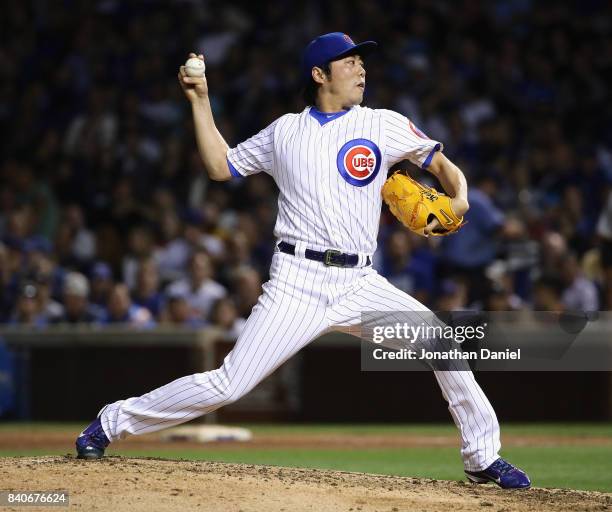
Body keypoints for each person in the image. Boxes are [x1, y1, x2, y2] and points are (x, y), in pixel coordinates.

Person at [75, 32, 530, 489]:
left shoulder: (381, 123)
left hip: (359, 283)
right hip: (297, 281)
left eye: (361, 62)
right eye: (349, 62)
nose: (361, 69)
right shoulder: (284, 132)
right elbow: (221, 166)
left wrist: (461, 194)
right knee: (228, 384)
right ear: (319, 74)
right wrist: (200, 99)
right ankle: (111, 422)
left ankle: (481, 457)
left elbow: (438, 161)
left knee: (441, 345)